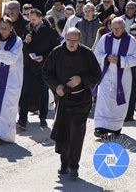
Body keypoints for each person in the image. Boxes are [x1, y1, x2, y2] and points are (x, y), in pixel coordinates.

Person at [42, 27, 102, 179]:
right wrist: (57, 86)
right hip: (63, 98)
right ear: (65, 39)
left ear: (79, 40)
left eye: (75, 41)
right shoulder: (57, 52)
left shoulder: (87, 53)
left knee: (76, 132)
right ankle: (64, 163)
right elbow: (46, 72)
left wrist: (81, 80)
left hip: (82, 99)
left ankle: (73, 165)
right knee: (63, 131)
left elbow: (96, 75)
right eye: (69, 40)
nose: (71, 43)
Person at [93, 17, 136, 138]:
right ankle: (101, 128)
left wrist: (120, 60)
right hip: (106, 75)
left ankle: (115, 128)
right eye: (114, 28)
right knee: (104, 100)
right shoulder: (105, 38)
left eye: (119, 29)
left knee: (119, 103)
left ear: (124, 28)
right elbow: (96, 53)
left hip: (123, 77)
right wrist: (106, 58)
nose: (116, 31)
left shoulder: (131, 41)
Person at [19, 9, 60, 129]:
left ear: (40, 17)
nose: (31, 22)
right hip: (30, 66)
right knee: (26, 91)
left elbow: (55, 49)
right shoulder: (28, 29)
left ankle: (43, 117)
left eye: (34, 19)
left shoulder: (50, 31)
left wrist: (44, 57)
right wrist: (26, 42)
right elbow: (22, 46)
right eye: (29, 19)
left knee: (43, 92)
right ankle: (22, 119)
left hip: (44, 66)